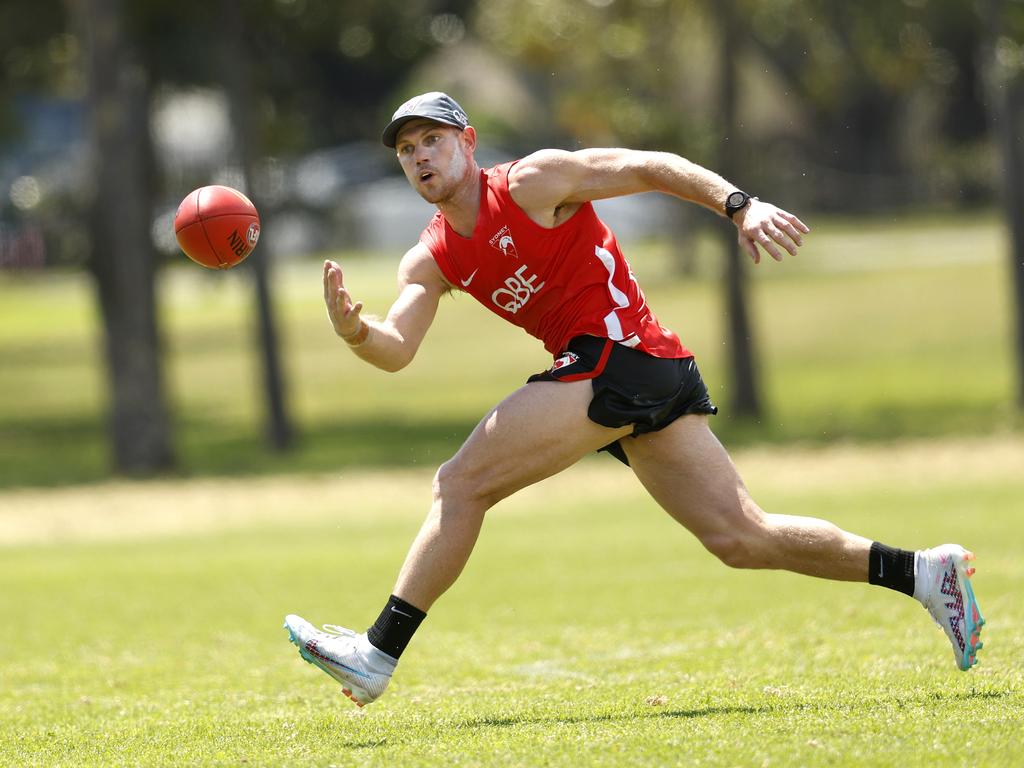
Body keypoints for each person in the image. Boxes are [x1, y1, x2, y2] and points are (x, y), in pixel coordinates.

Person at [284, 92, 984, 707]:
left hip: (621, 357)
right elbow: (396, 346)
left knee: (460, 484)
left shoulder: (532, 180)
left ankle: (376, 654)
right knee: (741, 538)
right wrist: (355, 332)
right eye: (407, 150)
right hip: (635, 370)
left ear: (467, 142)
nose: (420, 157)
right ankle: (924, 573)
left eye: (432, 139)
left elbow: (648, 165)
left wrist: (740, 205)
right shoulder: (431, 256)